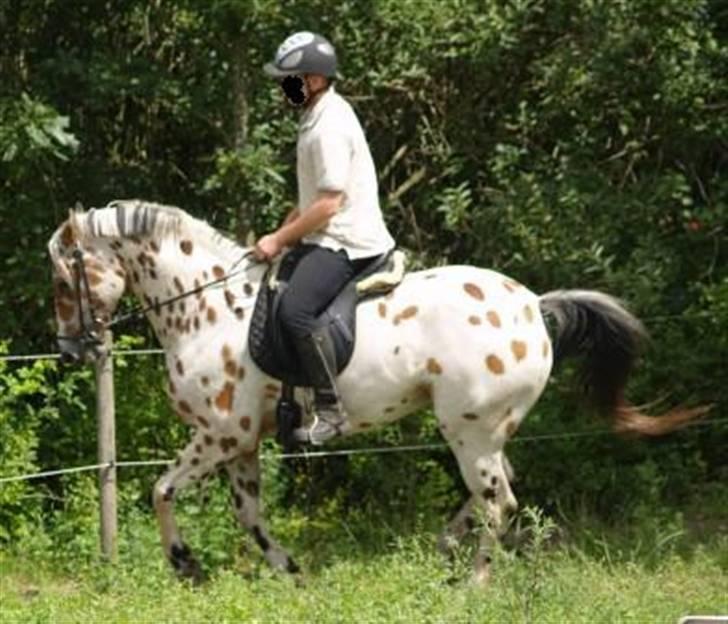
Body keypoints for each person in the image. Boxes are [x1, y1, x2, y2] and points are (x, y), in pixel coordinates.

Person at [255, 31, 395, 445]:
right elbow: (310, 199)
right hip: (325, 235)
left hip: (347, 241)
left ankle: (331, 410)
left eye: (290, 79)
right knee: (277, 289)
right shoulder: (316, 116)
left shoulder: (328, 126)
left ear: (314, 80)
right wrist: (277, 235)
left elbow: (329, 204)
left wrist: (279, 240)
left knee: (295, 311)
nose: (284, 87)